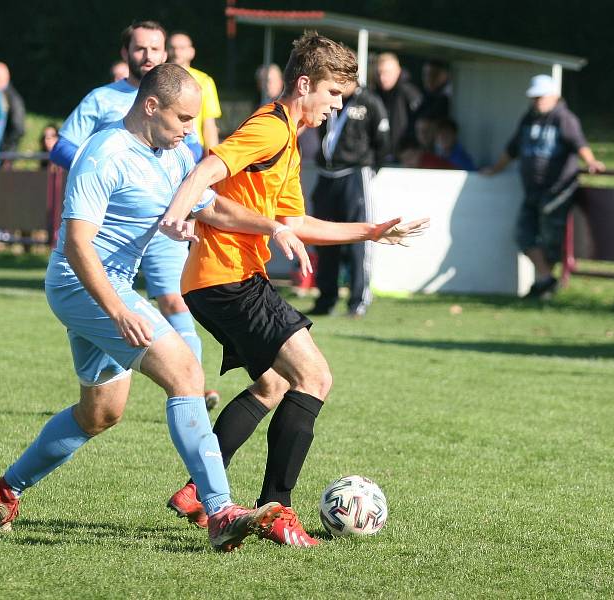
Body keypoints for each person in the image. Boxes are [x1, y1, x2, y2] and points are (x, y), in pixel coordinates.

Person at [0, 64, 309, 551]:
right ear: (151, 107)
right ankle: (219, 511)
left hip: (107, 288)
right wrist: (117, 309)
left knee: (100, 414)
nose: (190, 130)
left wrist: (272, 227)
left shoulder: (167, 152)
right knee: (186, 374)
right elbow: (77, 246)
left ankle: (4, 490)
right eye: (183, 119)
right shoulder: (105, 153)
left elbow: (209, 205)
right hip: (84, 285)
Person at [159, 32, 428, 546]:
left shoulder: (291, 139)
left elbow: (293, 218)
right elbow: (206, 171)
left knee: (274, 385)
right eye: (332, 94)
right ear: (304, 84)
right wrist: (177, 214)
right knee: (314, 377)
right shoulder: (269, 129)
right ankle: (275, 508)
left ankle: (198, 490)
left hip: (221, 279)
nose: (336, 106)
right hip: (228, 277)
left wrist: (369, 232)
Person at [50, 20, 214, 408]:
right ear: (126, 54)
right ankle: (180, 386)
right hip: (110, 226)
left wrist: (183, 196)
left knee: (174, 300)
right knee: (102, 411)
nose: (149, 56)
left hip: (163, 221)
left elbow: (190, 153)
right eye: (140, 49)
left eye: (156, 49)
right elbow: (62, 148)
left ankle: (196, 390)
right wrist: (115, 176)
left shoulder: (177, 98)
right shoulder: (102, 99)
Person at [482, 74, 605, 299]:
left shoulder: (564, 118)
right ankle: (547, 279)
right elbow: (512, 150)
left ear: (554, 96)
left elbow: (579, 144)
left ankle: (545, 285)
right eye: (534, 97)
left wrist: (591, 162)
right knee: (523, 235)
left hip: (557, 191)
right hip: (532, 191)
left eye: (541, 97)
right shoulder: (528, 119)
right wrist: (494, 170)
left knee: (551, 241)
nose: (537, 101)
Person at [308, 83, 391, 318]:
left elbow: (383, 141)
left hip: (355, 174)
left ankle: (358, 301)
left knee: (359, 237)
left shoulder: (369, 101)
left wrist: (368, 167)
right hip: (326, 176)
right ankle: (326, 299)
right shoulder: (326, 98)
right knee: (323, 238)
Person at [167, 31, 221, 160]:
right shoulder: (158, 79)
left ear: (192, 52)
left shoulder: (204, 81)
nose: (176, 52)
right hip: (165, 147)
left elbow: (209, 123)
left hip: (194, 150)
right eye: (172, 48)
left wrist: (210, 159)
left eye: (181, 48)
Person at [374, 52, 422, 161]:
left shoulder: (409, 92)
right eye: (379, 73)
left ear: (398, 71)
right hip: (383, 157)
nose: (382, 78)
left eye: (387, 73)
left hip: (406, 158)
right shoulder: (375, 94)